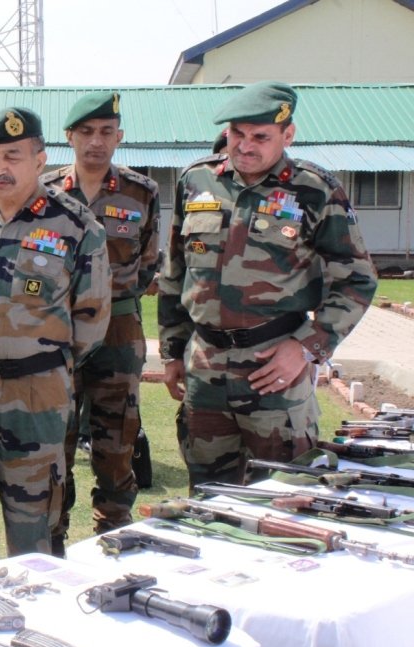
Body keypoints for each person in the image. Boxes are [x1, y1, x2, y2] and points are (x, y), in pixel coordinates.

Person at [158, 81, 378, 488]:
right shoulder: (197, 181)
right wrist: (172, 352)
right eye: (237, 134)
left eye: (260, 137)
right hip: (204, 371)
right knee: (206, 502)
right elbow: (175, 273)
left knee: (285, 498)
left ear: (287, 135)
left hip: (274, 371)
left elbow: (357, 280)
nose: (245, 146)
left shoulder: (314, 189)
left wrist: (308, 347)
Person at [0, 107, 111, 570]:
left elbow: (91, 320)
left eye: (13, 155)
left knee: (34, 536)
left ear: (40, 159)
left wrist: (37, 362)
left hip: (36, 395)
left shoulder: (76, 227)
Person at [41, 92, 160, 545]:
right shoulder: (47, 194)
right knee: (57, 432)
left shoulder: (141, 192)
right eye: (86, 132)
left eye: (106, 132)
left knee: (118, 434)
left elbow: (148, 263)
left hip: (118, 331)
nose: (96, 142)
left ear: (119, 137)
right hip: (59, 332)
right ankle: (53, 534)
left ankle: (114, 529)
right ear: (69, 137)